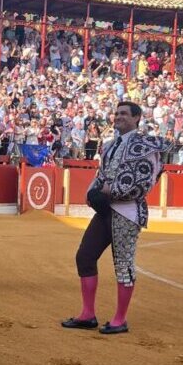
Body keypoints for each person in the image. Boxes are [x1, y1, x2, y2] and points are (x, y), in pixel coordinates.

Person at [62, 101, 166, 335]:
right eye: (117, 113)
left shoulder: (146, 145)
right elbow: (101, 175)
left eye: (124, 114)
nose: (118, 116)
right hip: (105, 210)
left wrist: (111, 191)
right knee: (85, 256)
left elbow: (145, 182)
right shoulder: (109, 145)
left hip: (127, 211)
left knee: (123, 264)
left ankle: (120, 319)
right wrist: (92, 192)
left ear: (137, 118)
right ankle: (88, 314)